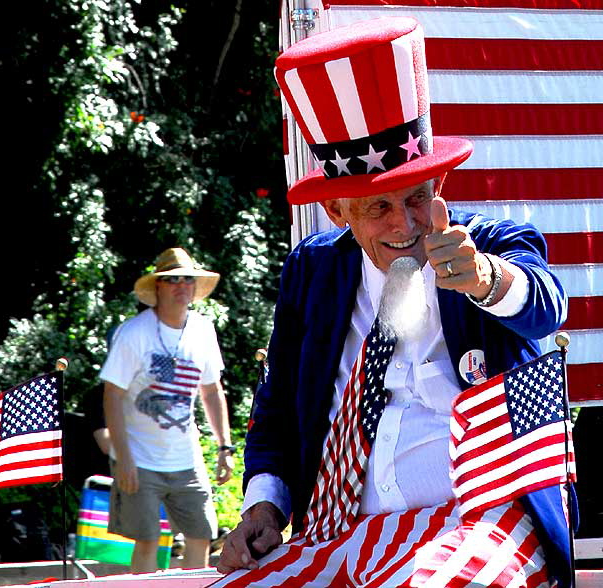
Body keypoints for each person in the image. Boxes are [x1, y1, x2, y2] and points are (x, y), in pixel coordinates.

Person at [214, 16, 574, 588]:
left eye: (417, 197)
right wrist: (265, 505)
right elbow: (278, 406)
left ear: (441, 186)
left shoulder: (489, 242)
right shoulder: (313, 270)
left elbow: (546, 304)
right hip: (343, 529)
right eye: (378, 208)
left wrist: (483, 278)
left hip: (483, 520)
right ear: (337, 212)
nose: (405, 224)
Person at [100, 247, 235, 573]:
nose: (180, 286)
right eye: (171, 279)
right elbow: (112, 396)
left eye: (187, 280)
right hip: (139, 457)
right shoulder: (133, 333)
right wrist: (123, 457)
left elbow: (212, 390)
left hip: (186, 457)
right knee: (147, 540)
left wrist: (224, 447)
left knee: (201, 534)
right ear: (157, 287)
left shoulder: (203, 330)